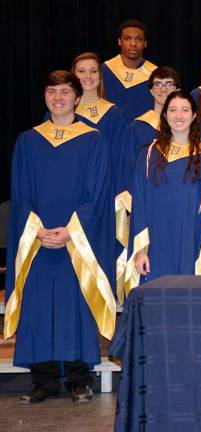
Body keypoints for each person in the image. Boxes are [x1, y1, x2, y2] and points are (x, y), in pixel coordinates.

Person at [4, 71, 115, 404]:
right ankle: (44, 379)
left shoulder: (93, 140)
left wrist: (70, 231)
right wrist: (36, 229)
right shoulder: (28, 140)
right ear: (45, 97)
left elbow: (97, 193)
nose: (57, 97)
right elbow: (20, 192)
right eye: (51, 91)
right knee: (39, 306)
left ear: (77, 97)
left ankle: (80, 379)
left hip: (75, 239)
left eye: (65, 92)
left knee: (76, 305)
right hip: (37, 239)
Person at [123, 91, 201, 296]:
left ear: (193, 115)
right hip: (157, 244)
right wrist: (140, 250)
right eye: (172, 110)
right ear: (164, 116)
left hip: (195, 240)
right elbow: (140, 206)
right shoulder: (148, 155)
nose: (178, 115)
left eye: (184, 110)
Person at [71, 52, 130, 293]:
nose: (88, 76)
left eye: (93, 71)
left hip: (106, 198)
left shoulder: (115, 114)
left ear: (100, 75)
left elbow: (120, 160)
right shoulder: (61, 113)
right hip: (72, 199)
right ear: (73, 75)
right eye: (81, 71)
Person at [116, 66, 181, 225]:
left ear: (178, 89)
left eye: (168, 84)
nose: (163, 89)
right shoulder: (137, 128)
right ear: (151, 91)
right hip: (145, 205)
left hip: (180, 204)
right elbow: (126, 171)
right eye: (158, 84)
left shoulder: (186, 128)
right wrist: (128, 211)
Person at [102, 19, 157, 120]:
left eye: (139, 39)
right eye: (127, 38)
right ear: (119, 41)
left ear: (145, 43)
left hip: (145, 132)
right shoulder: (103, 71)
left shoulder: (156, 75)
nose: (133, 44)